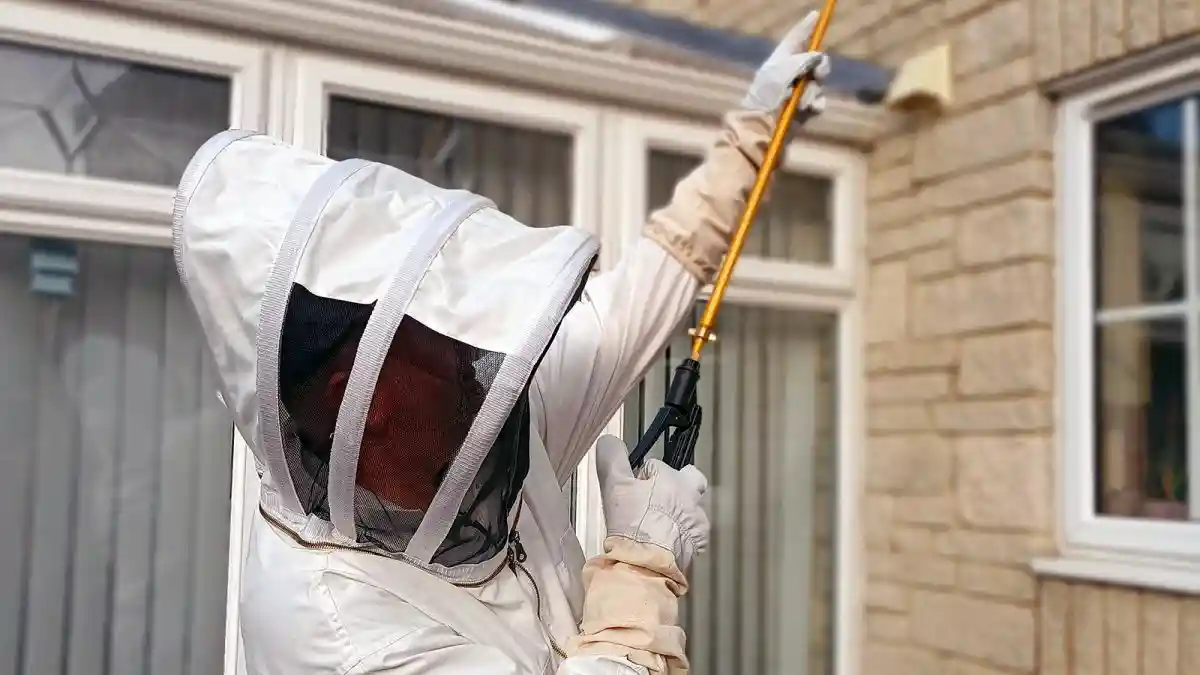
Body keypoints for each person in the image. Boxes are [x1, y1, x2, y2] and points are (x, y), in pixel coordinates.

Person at [171, 10, 830, 674]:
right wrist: (641, 569)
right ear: (365, 391)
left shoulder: (471, 429)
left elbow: (645, 290)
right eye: (441, 331)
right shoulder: (328, 631)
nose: (476, 352)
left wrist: (756, 134)